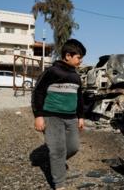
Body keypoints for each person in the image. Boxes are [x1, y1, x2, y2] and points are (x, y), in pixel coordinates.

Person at [32, 39, 86, 190]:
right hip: (52, 117)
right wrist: (38, 116)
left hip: (71, 118)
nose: (80, 61)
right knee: (57, 150)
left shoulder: (76, 76)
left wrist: (80, 117)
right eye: (78, 57)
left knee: (73, 147)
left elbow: (79, 98)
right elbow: (38, 92)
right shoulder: (52, 72)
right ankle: (59, 184)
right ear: (68, 56)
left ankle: (55, 161)